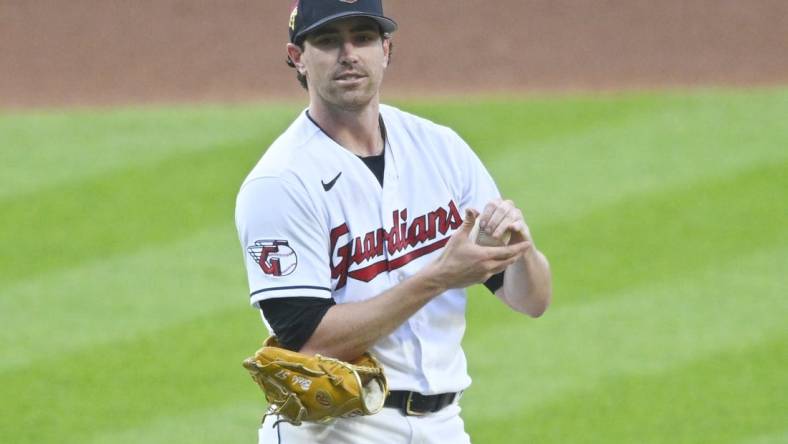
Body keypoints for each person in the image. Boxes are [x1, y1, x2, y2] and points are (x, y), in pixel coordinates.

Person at [235, 1, 552, 442]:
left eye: (362, 38)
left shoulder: (441, 149)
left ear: (386, 49)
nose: (349, 54)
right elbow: (307, 339)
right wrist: (439, 277)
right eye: (328, 41)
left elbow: (532, 301)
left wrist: (523, 253)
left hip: (443, 425)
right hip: (336, 428)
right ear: (297, 57)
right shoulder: (280, 182)